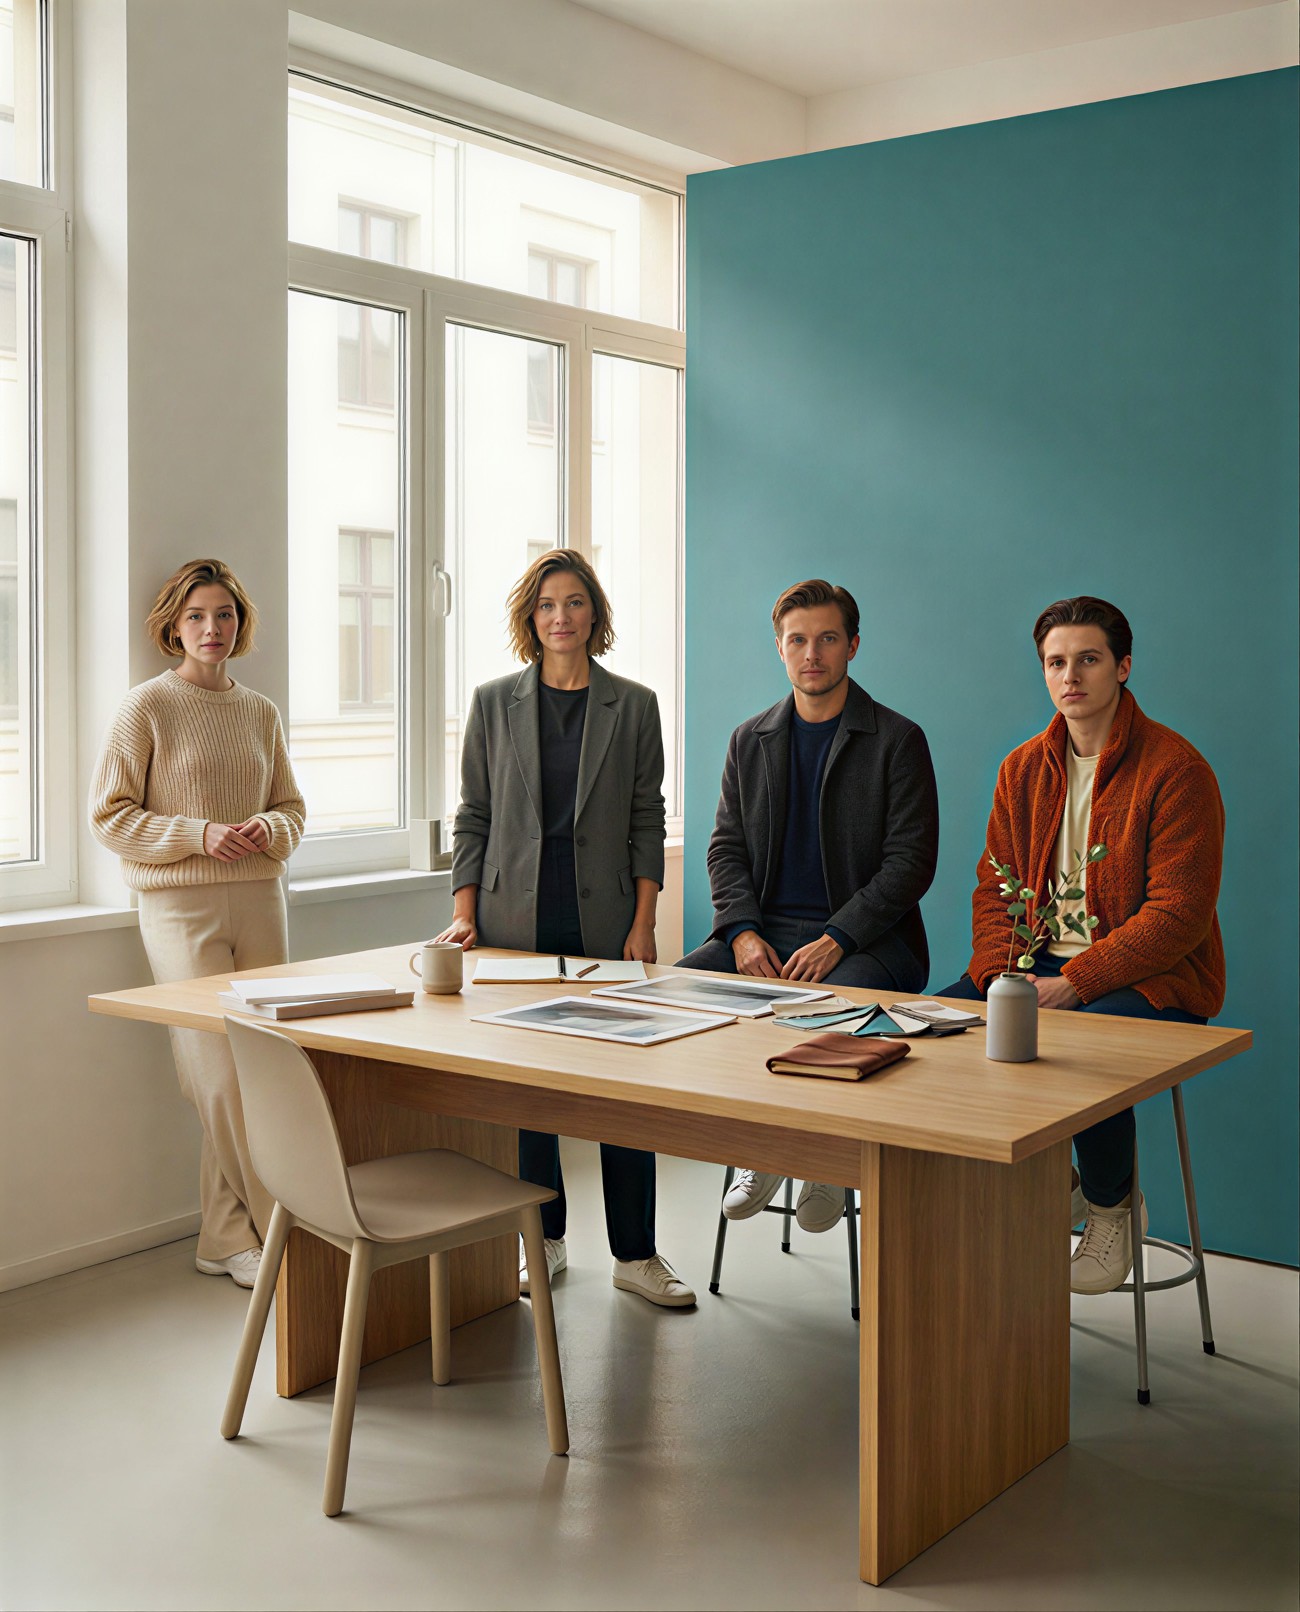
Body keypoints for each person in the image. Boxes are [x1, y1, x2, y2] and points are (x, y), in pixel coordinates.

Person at [938, 595, 1225, 1294]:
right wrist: (1000, 978)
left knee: (1078, 1049)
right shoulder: (1022, 770)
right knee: (935, 1032)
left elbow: (1179, 915)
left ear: (1122, 667)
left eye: (1088, 659)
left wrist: (1078, 981)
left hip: (1155, 977)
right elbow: (995, 890)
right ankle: (1050, 1182)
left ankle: (1111, 1207)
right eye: (1056, 662)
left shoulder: (1175, 769)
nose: (1072, 675)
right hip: (1033, 969)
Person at [435, 550, 694, 1308]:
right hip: (514, 916)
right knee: (527, 1092)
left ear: (594, 615)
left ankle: (636, 1254)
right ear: (530, 617)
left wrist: (645, 920)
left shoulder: (634, 705)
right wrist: (464, 912)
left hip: (608, 919)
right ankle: (542, 1241)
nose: (561, 616)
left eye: (575, 602)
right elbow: (474, 817)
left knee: (625, 1087)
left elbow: (648, 817)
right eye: (547, 604)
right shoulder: (492, 704)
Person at [679, 579, 939, 1233]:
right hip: (764, 932)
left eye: (827, 639)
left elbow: (910, 864)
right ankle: (759, 1147)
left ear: (852, 646)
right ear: (780, 649)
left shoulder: (897, 740)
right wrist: (739, 933)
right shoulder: (750, 740)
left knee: (830, 1007)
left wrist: (838, 938)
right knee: (678, 989)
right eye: (798, 640)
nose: (812, 653)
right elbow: (725, 850)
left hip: (871, 943)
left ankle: (824, 1160)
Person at [90, 559, 305, 1288]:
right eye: (197, 617)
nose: (212, 629)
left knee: (263, 1069)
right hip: (180, 906)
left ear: (239, 624)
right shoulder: (145, 707)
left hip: (260, 898)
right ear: (172, 627)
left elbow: (293, 809)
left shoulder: (260, 712)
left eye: (225, 616)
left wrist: (266, 829)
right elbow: (110, 816)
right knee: (214, 1078)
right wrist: (197, 834)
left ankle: (221, 1238)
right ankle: (287, 1229)